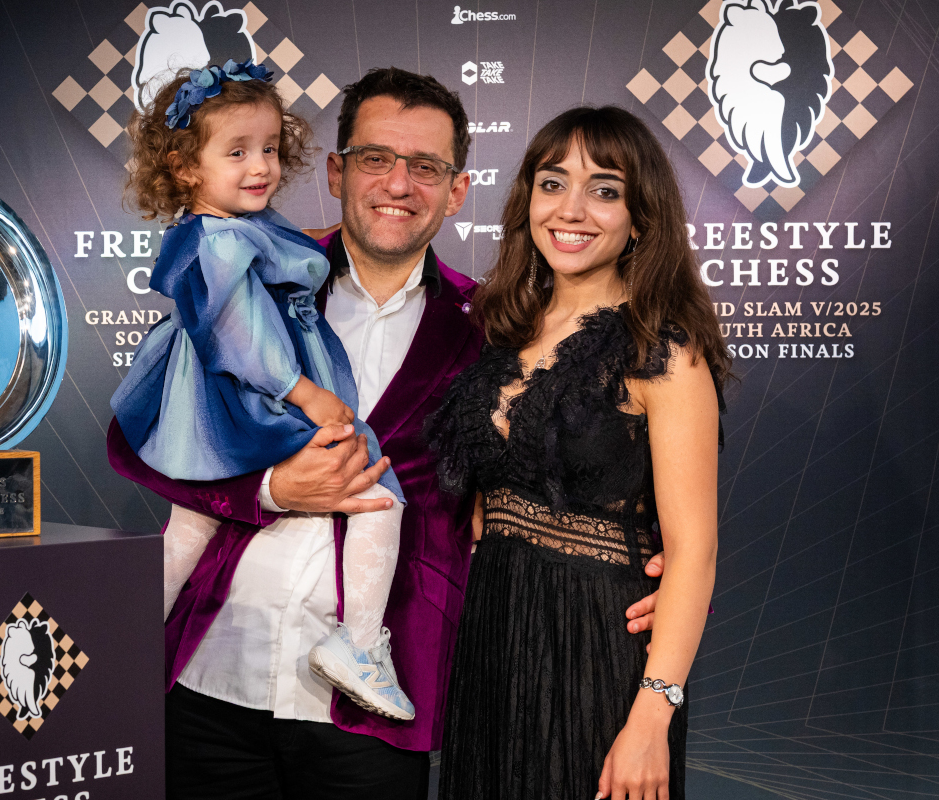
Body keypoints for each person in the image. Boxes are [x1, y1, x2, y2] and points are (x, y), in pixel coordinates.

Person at [108, 71, 666, 799]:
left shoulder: (496, 330)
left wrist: (657, 575)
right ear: (336, 172)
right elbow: (156, 435)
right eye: (376, 158)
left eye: (425, 167)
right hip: (212, 676)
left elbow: (575, 466)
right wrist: (270, 490)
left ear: (457, 191)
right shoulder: (255, 277)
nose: (398, 184)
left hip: (375, 707)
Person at [429, 105, 731, 800]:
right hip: (494, 636)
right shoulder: (502, 330)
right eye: (552, 183)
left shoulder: (664, 353)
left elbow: (694, 551)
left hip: (599, 646)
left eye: (604, 190)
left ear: (640, 216)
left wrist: (653, 716)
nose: (571, 210)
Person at [111, 59, 415, 721]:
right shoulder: (220, 242)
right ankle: (360, 644)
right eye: (238, 152)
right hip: (254, 389)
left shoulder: (227, 229)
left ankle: (124, 639)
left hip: (225, 389)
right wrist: (303, 392)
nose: (261, 167)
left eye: (271, 149)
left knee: (191, 522)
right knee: (378, 493)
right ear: (185, 167)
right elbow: (240, 334)